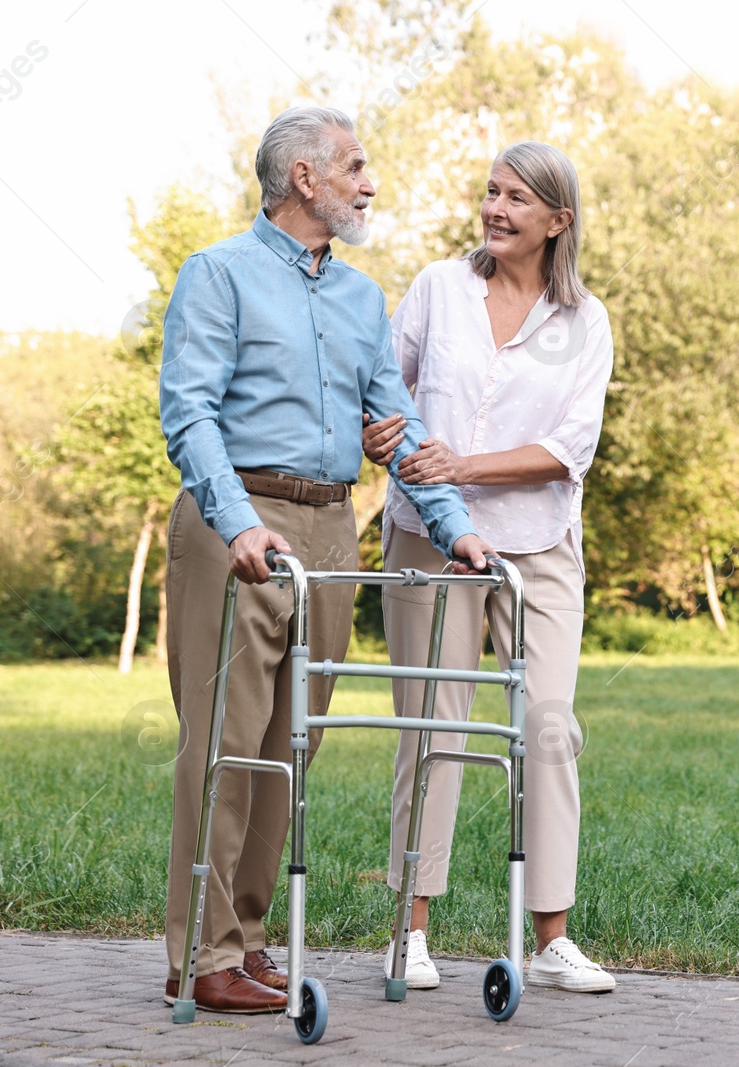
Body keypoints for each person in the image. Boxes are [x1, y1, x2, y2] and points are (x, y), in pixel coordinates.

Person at [158, 106, 492, 1015]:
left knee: (289, 747)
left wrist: (453, 520)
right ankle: (202, 954)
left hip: (330, 528)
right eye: (354, 166)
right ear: (303, 178)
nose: (368, 182)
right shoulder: (217, 275)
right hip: (240, 524)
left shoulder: (358, 298)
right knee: (225, 743)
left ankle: (251, 941)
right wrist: (235, 524)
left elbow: (397, 425)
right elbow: (188, 413)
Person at [362, 140, 615, 993]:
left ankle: (551, 940)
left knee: (548, 729)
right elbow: (384, 396)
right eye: (491, 192)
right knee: (432, 725)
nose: (496, 209)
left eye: (517, 199)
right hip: (430, 539)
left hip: (538, 543)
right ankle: (410, 929)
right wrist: (376, 438)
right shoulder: (439, 288)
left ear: (558, 221)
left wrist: (461, 465)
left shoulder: (584, 322)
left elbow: (567, 447)